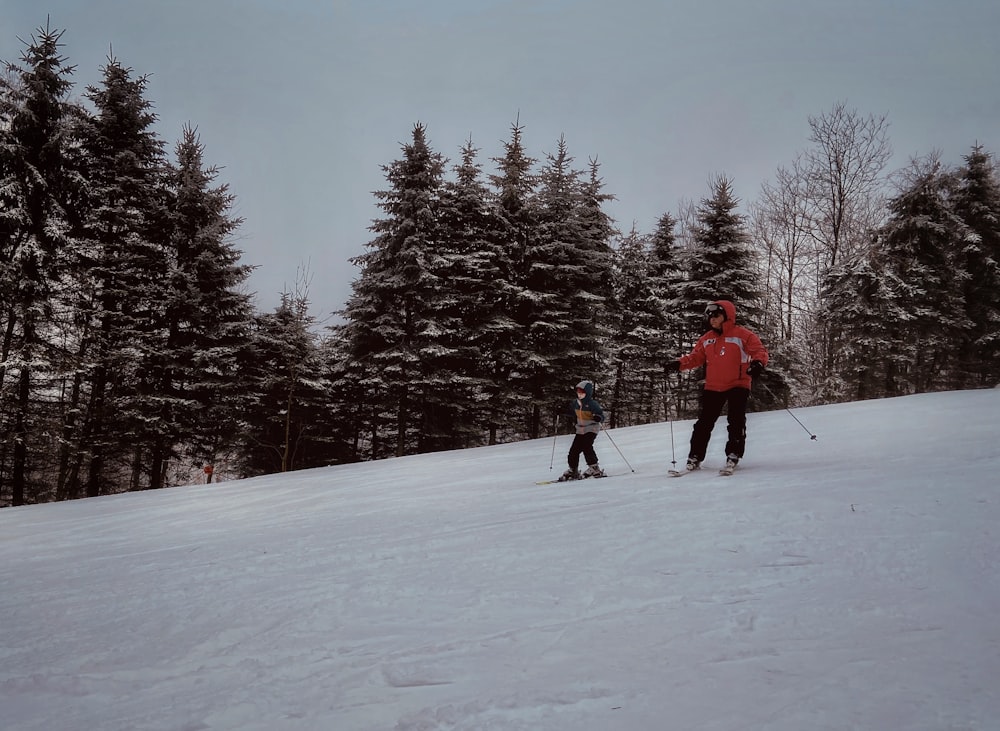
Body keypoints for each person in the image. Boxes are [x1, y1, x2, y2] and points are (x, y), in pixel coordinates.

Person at [664, 299, 768, 473]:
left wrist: (758, 363)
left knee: (736, 421)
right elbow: (695, 357)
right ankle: (695, 456)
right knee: (704, 423)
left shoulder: (743, 335)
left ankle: (733, 454)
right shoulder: (707, 339)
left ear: (727, 316)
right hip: (714, 386)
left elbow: (759, 351)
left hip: (738, 383)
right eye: (709, 316)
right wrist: (678, 364)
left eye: (716, 315)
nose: (712, 319)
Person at [559, 380, 606, 481]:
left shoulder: (592, 404)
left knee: (587, 446)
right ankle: (573, 470)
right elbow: (572, 413)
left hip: (591, 428)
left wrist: (598, 417)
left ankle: (594, 468)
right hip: (580, 429)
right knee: (573, 451)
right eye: (578, 392)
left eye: (582, 393)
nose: (580, 395)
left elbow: (601, 415)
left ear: (587, 393)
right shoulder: (575, 403)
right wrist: (562, 411)